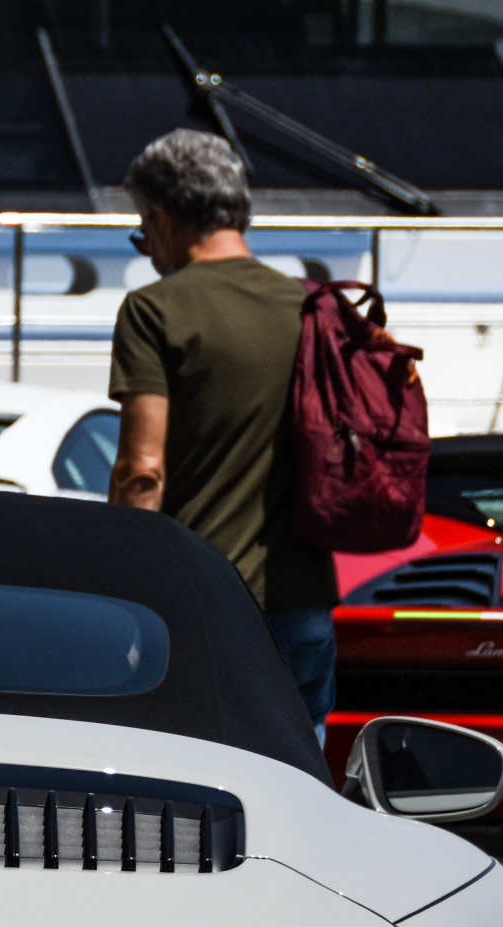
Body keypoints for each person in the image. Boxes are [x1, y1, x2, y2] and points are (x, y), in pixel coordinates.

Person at [107, 128, 338, 734]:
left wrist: (115, 587)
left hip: (203, 603)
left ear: (162, 218)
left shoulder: (155, 310)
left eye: (143, 231)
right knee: (305, 785)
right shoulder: (312, 307)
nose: (149, 249)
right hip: (306, 601)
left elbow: (141, 472)